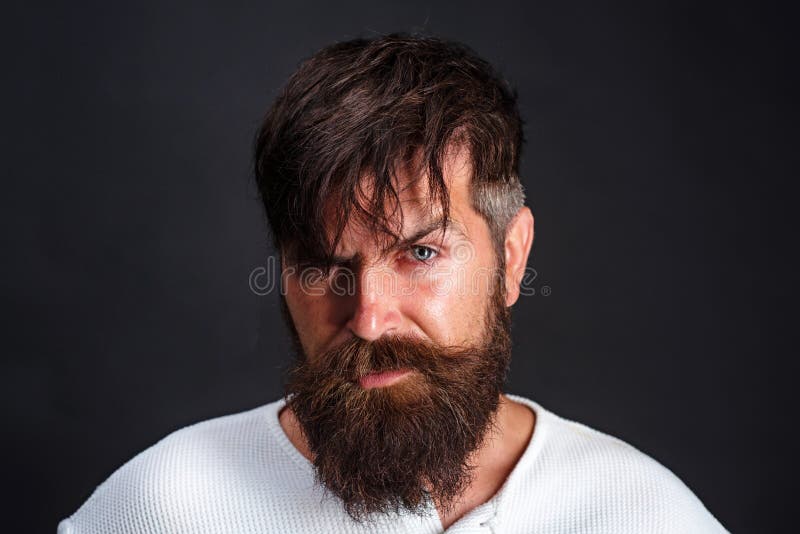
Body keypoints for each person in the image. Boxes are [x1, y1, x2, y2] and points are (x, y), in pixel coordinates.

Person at [58, 34, 728, 533]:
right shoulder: (168, 506)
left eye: (420, 252)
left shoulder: (639, 514)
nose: (369, 319)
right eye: (323, 265)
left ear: (512, 258)